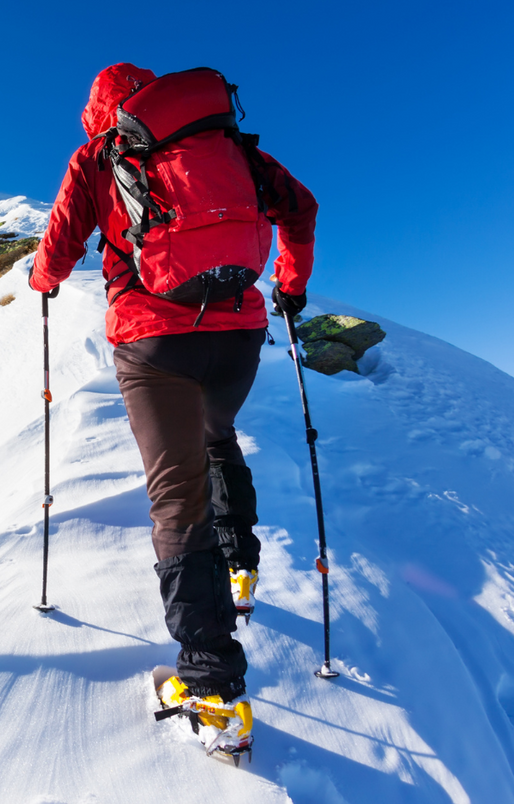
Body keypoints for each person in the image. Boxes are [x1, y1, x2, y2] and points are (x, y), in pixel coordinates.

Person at [29, 61, 317, 728]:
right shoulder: (229, 146)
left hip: (153, 339)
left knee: (175, 495)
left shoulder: (100, 156)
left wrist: (43, 282)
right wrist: (291, 285)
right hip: (239, 333)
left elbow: (62, 241)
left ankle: (211, 684)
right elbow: (300, 208)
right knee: (219, 437)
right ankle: (239, 566)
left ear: (99, 110)